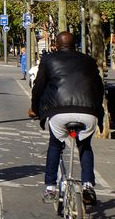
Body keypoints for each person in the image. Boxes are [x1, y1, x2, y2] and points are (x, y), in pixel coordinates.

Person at [29, 31, 104, 205]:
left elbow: (38, 87)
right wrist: (96, 110)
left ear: (56, 44)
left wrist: (35, 109)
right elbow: (99, 89)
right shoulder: (89, 61)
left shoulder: (49, 60)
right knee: (85, 146)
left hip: (59, 111)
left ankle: (50, 188)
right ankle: (88, 186)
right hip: (88, 112)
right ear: (75, 44)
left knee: (55, 146)